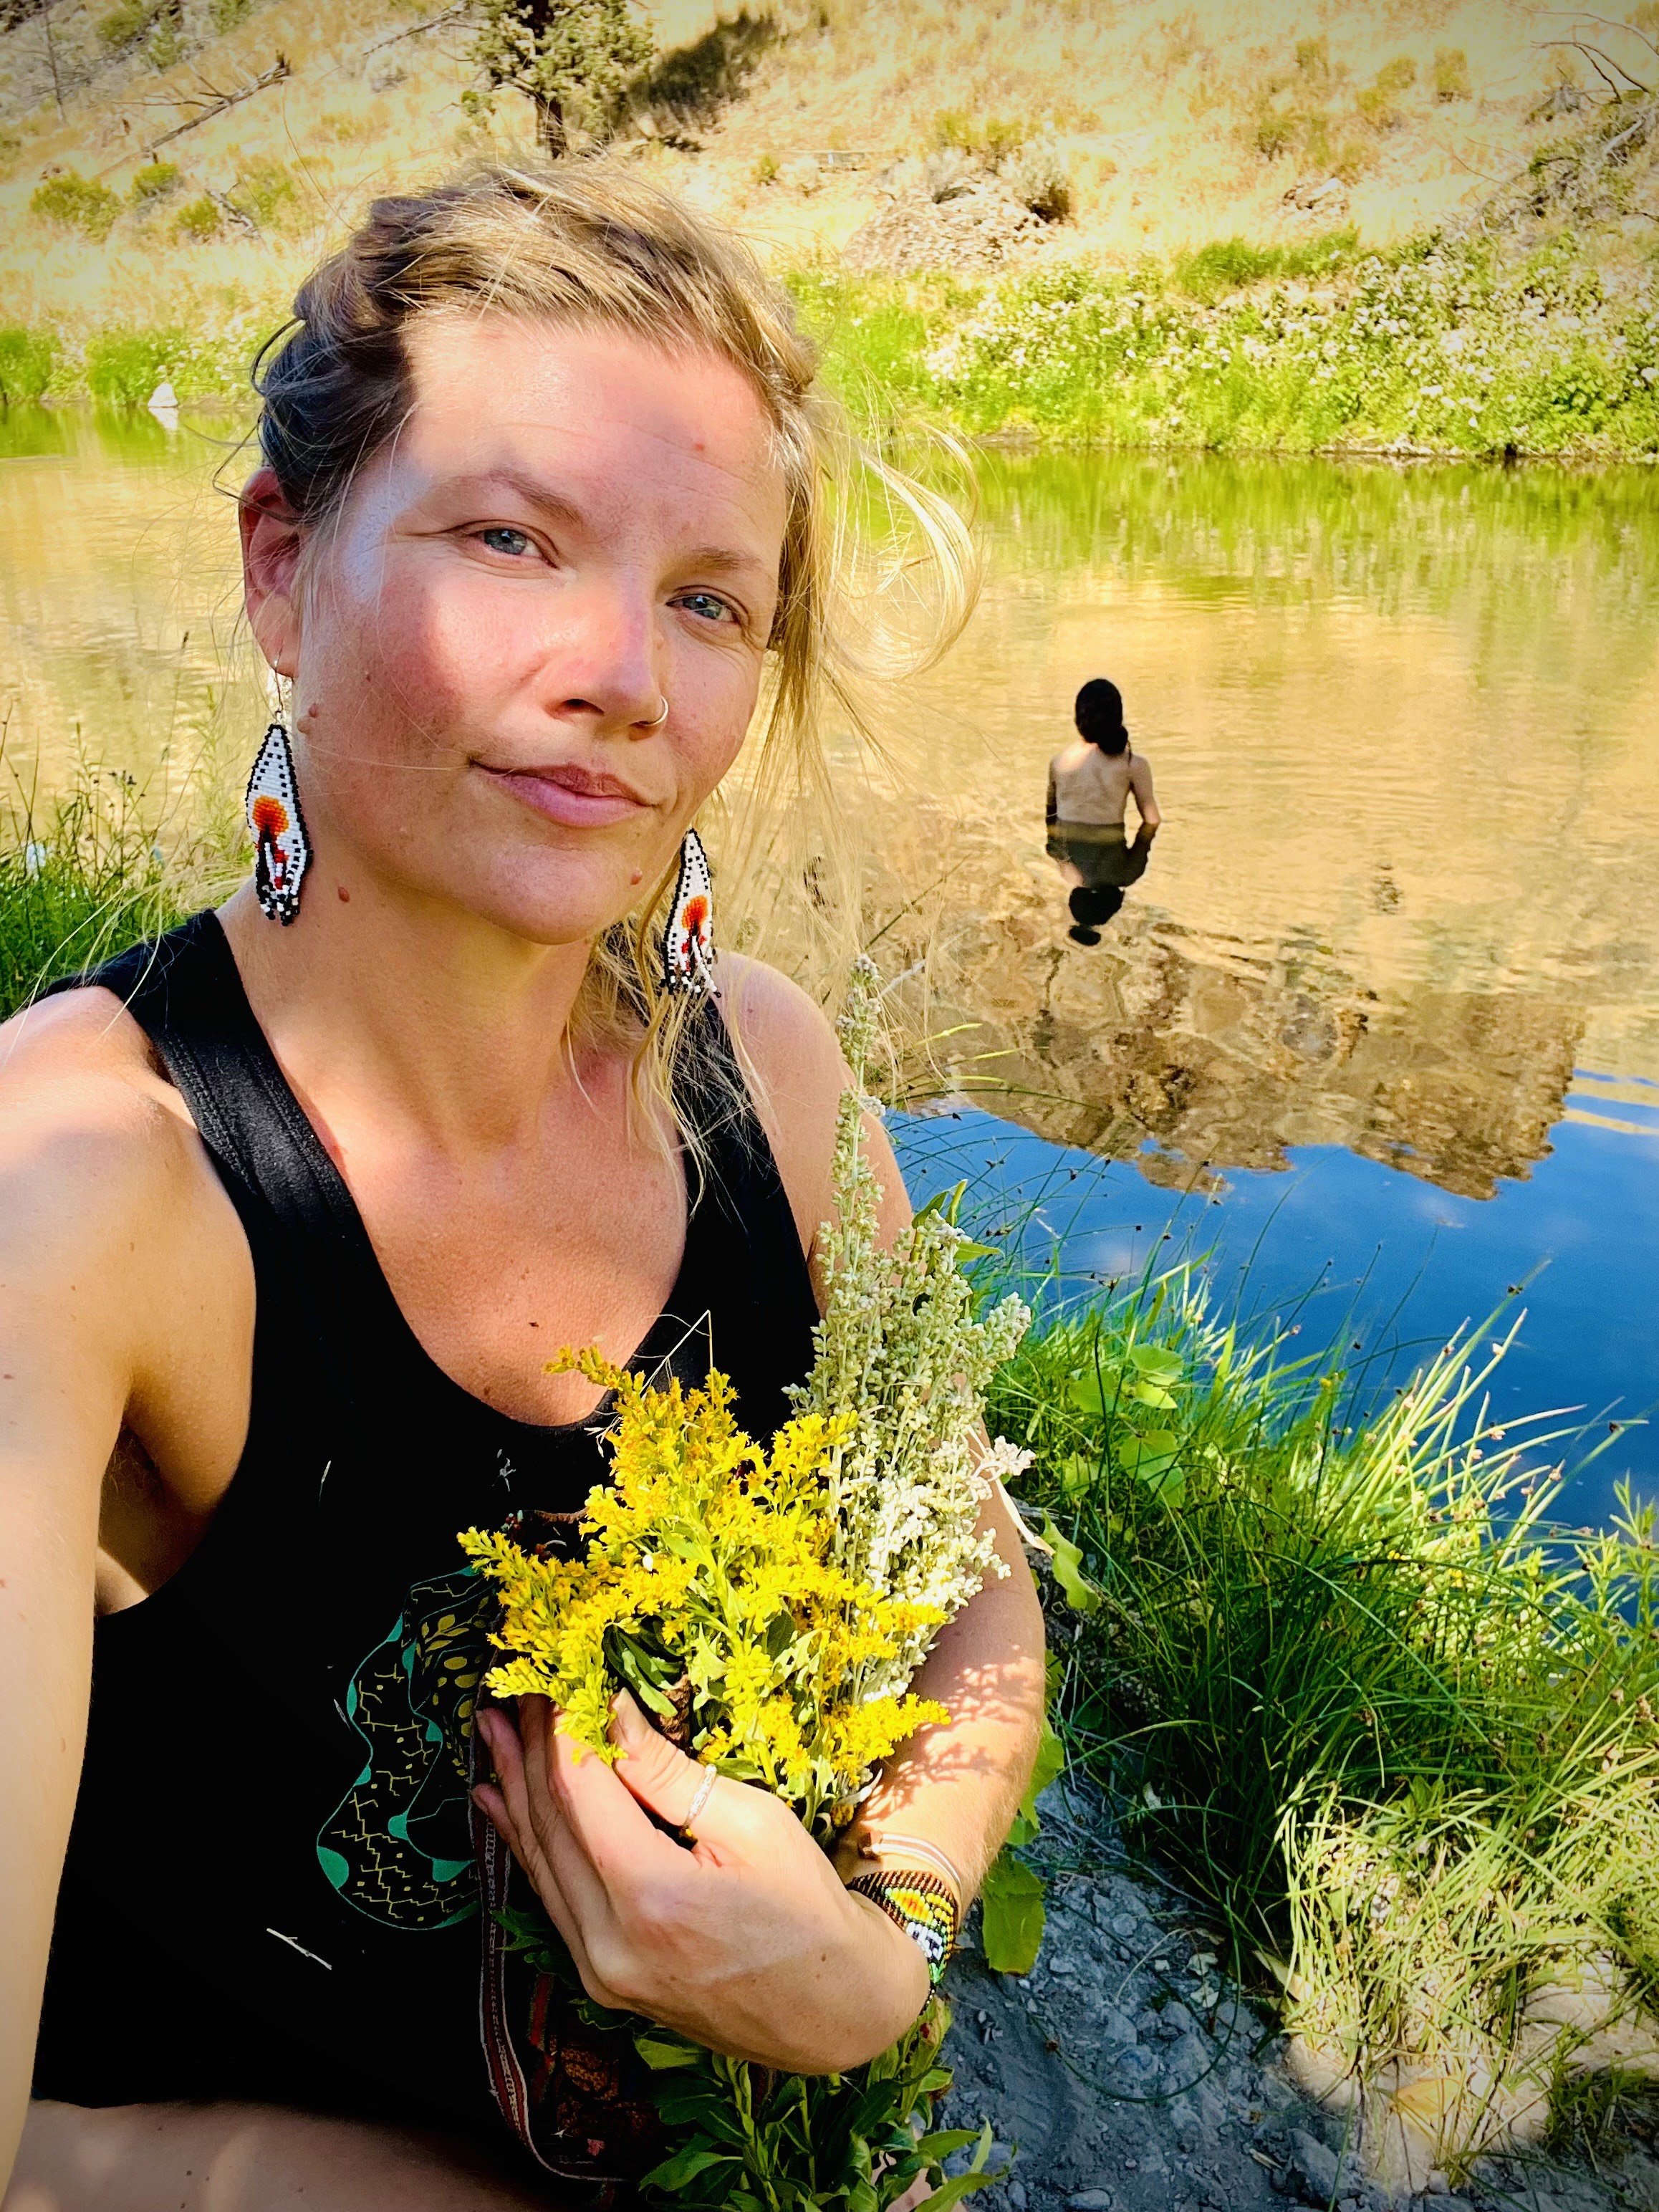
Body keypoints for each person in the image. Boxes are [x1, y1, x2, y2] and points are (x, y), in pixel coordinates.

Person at [0, 166, 1044, 2211]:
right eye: (511, 540)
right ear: (282, 568)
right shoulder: (77, 1192)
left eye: (707, 599)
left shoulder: (778, 1080)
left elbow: (964, 1570)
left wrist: (876, 1957)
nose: (622, 677)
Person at [1045, 677, 1160, 942]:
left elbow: (1051, 819)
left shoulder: (1059, 762)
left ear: (1078, 720)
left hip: (1069, 831)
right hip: (1105, 838)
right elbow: (1151, 821)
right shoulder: (1133, 764)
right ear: (1118, 717)